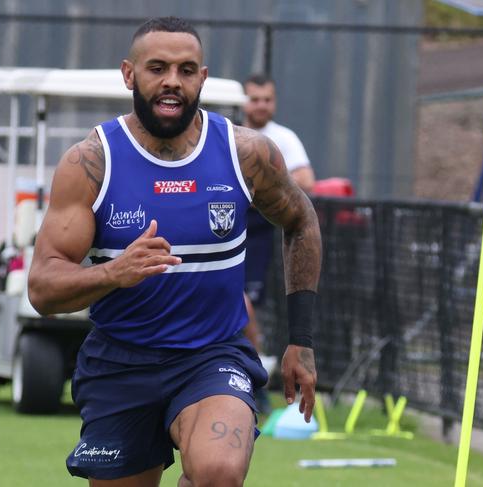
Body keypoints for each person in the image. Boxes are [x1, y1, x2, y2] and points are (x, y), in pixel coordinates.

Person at [28, 17, 321, 486]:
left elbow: (302, 220)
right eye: (157, 68)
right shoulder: (91, 162)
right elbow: (42, 288)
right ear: (129, 74)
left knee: (218, 473)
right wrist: (112, 273)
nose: (172, 81)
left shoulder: (245, 153)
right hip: (120, 363)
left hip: (212, 356)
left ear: (202, 78)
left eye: (186, 70)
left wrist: (301, 339)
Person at [241, 74, 316, 413]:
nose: (261, 106)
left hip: (262, 232)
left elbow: (304, 181)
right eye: (255, 99)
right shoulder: (230, 134)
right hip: (228, 229)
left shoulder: (282, 139)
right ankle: (252, 370)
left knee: (243, 303)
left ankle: (256, 374)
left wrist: (259, 190)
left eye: (267, 99)